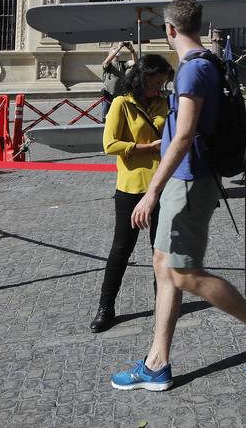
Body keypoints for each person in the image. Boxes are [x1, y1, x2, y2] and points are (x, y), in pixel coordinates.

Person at [111, 0, 246, 392]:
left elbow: (185, 134)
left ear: (169, 31)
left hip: (188, 181)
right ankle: (157, 363)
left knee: (184, 273)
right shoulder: (208, 63)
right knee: (163, 265)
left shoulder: (193, 72)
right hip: (185, 179)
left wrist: (152, 190)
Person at [93, 54, 173, 333]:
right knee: (121, 248)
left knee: (159, 249)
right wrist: (148, 148)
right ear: (142, 79)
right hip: (131, 186)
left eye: (163, 83)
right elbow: (110, 144)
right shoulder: (121, 104)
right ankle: (106, 306)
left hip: (162, 185)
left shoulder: (165, 103)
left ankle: (160, 304)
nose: (159, 89)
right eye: (156, 82)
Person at [100, 42, 134, 119]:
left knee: (118, 118)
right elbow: (106, 62)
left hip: (119, 96)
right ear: (109, 53)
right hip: (108, 96)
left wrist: (132, 50)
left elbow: (135, 62)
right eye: (113, 50)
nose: (116, 51)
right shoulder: (108, 65)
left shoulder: (123, 64)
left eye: (116, 50)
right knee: (105, 119)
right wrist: (118, 47)